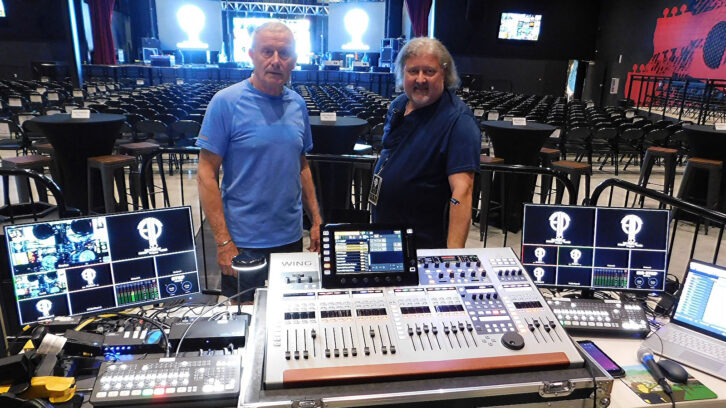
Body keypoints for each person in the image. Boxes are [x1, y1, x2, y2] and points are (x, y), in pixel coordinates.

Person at [196, 22, 322, 302]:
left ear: (294, 61)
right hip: (243, 242)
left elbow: (301, 165)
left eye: (284, 53)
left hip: (289, 239)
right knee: (243, 325)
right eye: (267, 52)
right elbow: (206, 174)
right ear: (251, 55)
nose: (276, 60)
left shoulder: (298, 105)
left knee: (288, 324)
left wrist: (315, 219)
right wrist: (223, 242)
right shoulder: (225, 102)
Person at [371, 37, 480, 249]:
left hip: (423, 245)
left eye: (429, 71)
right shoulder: (399, 105)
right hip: (387, 235)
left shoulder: (459, 122)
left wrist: (452, 257)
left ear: (445, 74)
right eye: (413, 71)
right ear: (403, 73)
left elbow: (462, 192)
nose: (420, 79)